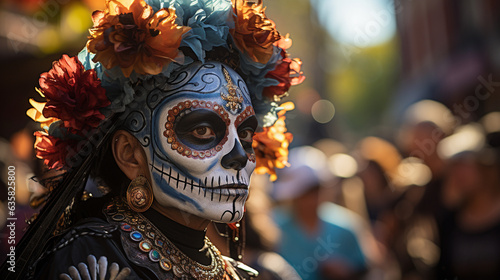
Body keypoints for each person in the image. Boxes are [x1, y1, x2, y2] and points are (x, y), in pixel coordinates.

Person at [0, 0, 303, 279]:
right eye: (202, 130)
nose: (239, 154)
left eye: (246, 134)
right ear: (130, 155)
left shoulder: (233, 272)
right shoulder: (91, 259)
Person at [272, 146, 368, 280]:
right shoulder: (273, 228)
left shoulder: (346, 226)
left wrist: (348, 271)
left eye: (316, 190)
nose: (312, 199)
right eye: (305, 193)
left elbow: (366, 269)